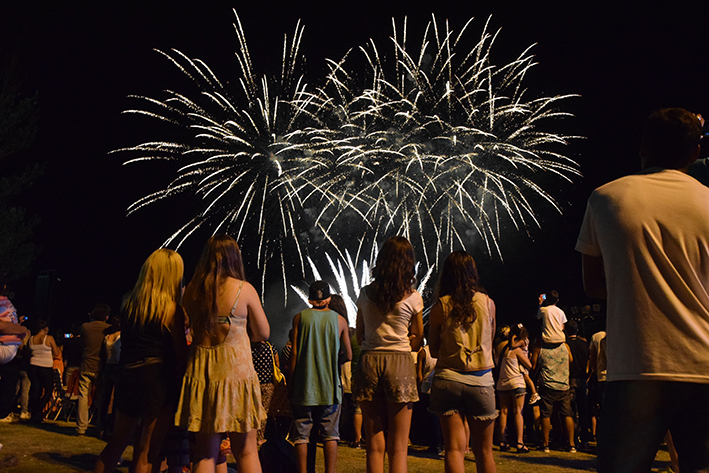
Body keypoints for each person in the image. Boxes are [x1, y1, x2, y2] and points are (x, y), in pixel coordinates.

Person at [576, 108, 709, 472]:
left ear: (644, 146)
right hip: (704, 363)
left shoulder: (606, 198)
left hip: (638, 362)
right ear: (696, 152)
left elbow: (593, 284)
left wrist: (635, 289)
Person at [175, 234, 270, 473]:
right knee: (246, 451)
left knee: (205, 452)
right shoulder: (243, 290)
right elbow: (263, 333)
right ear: (234, 258)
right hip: (237, 377)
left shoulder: (193, 291)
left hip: (204, 377)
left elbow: (184, 328)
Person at [93, 249, 188, 473]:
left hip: (128, 375)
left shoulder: (129, 304)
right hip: (158, 379)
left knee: (116, 444)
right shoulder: (172, 311)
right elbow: (181, 355)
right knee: (146, 452)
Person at [352, 236, 424, 473]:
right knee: (399, 445)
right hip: (400, 361)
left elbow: (359, 333)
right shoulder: (413, 297)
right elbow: (418, 336)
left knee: (373, 442)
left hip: (369, 360)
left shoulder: (364, 293)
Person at [428, 250, 497, 473]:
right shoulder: (488, 304)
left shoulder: (440, 306)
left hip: (448, 378)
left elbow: (434, 349)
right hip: (482, 380)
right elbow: (490, 340)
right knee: (485, 451)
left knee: (454, 449)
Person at [288, 281, 352, 473]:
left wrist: (291, 383)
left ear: (310, 299)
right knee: (330, 434)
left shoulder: (299, 318)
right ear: (328, 298)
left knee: (301, 433)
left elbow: (294, 354)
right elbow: (348, 355)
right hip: (330, 387)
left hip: (303, 385)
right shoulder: (340, 321)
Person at [495, 323, 532, 454]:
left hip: (502, 382)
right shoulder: (516, 350)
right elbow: (529, 365)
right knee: (518, 412)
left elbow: (495, 363)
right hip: (516, 381)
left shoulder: (498, 348)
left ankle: (502, 440)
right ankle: (520, 442)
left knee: (503, 411)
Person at [77, 303, 111, 435]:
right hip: (100, 366)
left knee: (83, 395)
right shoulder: (108, 329)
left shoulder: (85, 327)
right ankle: (100, 425)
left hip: (86, 364)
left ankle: (81, 426)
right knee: (102, 398)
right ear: (106, 316)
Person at [0, 278, 28, 422]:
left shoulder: (6, 304)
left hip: (8, 348)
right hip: (5, 347)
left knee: (9, 383)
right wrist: (21, 329)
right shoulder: (4, 304)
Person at [28, 319, 61, 422]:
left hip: (33, 365)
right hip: (46, 367)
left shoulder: (31, 339)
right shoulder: (48, 338)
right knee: (48, 390)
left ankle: (33, 413)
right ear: (46, 329)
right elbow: (56, 353)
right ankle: (38, 411)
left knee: (36, 390)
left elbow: (28, 351)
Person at [564, 320, 590, 449]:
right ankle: (585, 438)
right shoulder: (584, 344)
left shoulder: (565, 345)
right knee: (583, 410)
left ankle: (573, 439)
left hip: (570, 378)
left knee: (570, 411)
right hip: (582, 379)